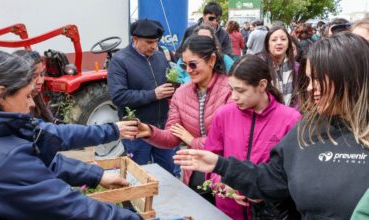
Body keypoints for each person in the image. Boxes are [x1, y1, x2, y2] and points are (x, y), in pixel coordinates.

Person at [174, 32, 369, 220]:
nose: (310, 88)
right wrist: (221, 165)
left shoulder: (292, 120)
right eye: (309, 80)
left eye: (318, 79)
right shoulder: (306, 131)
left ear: (348, 77)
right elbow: (272, 179)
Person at [0, 50, 141, 219]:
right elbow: (75, 209)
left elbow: (40, 157)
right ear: (1, 95)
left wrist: (95, 174)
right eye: (27, 95)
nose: (32, 103)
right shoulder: (6, 159)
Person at [204, 55, 301, 220]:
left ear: (262, 85)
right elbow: (210, 163)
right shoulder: (223, 114)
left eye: (241, 90)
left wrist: (265, 191)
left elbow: (293, 174)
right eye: (231, 89)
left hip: (271, 214)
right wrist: (222, 187)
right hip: (226, 211)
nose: (234, 96)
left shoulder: (290, 119)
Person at [137, 35, 232, 203]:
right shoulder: (181, 93)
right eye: (184, 65)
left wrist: (191, 140)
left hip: (226, 173)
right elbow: (172, 137)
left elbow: (228, 140)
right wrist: (149, 132)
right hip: (195, 173)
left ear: (211, 59)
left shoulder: (230, 90)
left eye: (193, 64)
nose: (188, 70)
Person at [107, 19, 176, 175]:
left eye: (156, 42)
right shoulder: (119, 61)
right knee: (138, 174)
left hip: (162, 128)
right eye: (149, 42)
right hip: (136, 131)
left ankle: (164, 200)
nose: (154, 46)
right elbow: (118, 96)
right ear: (135, 39)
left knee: (168, 174)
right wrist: (153, 94)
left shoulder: (159, 57)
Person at [13, 50, 60, 123]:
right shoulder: (16, 113)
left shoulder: (39, 100)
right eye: (34, 76)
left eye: (41, 74)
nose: (40, 81)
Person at [257, 26, 298, 107]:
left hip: (292, 115)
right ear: (267, 44)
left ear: (288, 43)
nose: (279, 42)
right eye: (274, 40)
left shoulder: (296, 67)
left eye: (283, 39)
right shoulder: (259, 66)